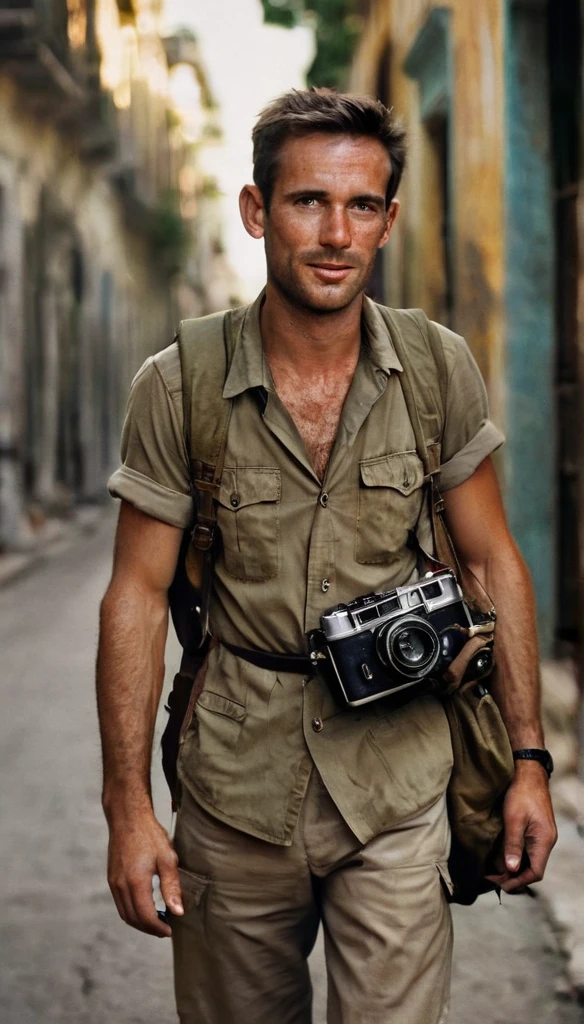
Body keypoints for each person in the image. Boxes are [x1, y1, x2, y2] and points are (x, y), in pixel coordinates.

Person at [97, 88, 557, 1024]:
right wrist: (129, 810)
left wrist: (529, 763)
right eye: (309, 201)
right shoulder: (179, 384)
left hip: (396, 783)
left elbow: (493, 564)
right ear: (257, 211)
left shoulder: (435, 369)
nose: (335, 232)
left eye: (360, 206)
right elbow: (136, 599)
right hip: (233, 792)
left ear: (389, 222)